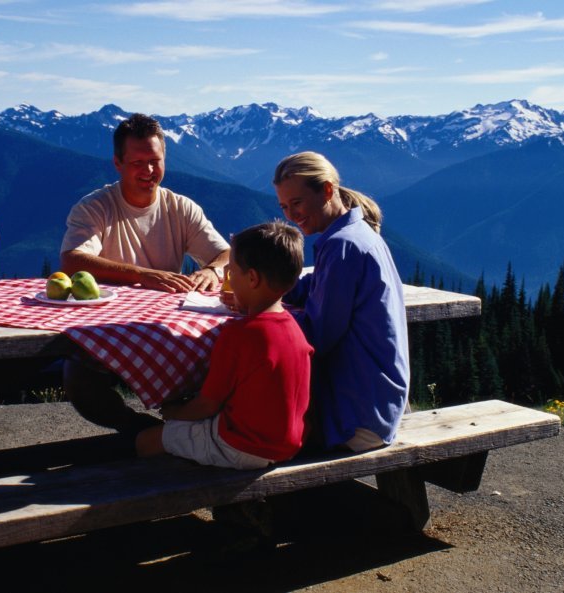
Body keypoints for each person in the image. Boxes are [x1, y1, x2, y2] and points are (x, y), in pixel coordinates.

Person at [60, 113, 230, 433]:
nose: (149, 171)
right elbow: (72, 260)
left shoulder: (181, 207)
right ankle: (147, 434)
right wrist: (144, 274)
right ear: (118, 163)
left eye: (155, 160)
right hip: (106, 332)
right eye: (138, 162)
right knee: (78, 376)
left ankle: (182, 434)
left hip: (167, 333)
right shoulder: (95, 206)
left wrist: (212, 269)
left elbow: (226, 253)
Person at [135, 221, 312, 469]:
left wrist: (173, 412)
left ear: (252, 278)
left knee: (147, 441)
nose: (227, 280)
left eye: (231, 273)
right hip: (288, 443)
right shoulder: (295, 330)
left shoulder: (239, 334)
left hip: (241, 446)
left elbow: (206, 405)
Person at [272, 151, 410, 452]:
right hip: (381, 404)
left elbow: (316, 335)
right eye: (284, 207)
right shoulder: (358, 233)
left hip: (357, 419)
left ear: (327, 190)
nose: (291, 215)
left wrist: (262, 307)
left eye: (297, 203)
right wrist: (276, 285)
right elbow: (317, 284)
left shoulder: (341, 246)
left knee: (249, 423)